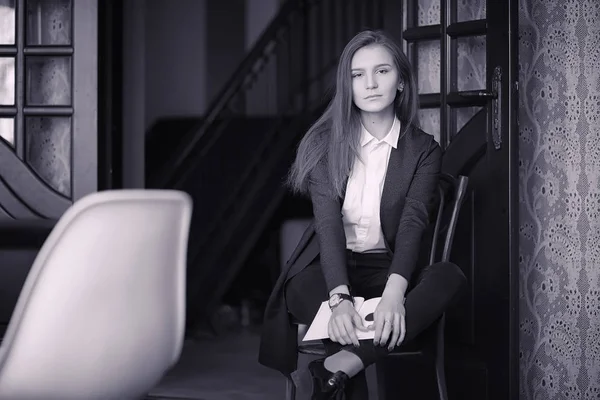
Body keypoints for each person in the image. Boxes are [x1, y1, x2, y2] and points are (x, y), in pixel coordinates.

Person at [258, 29, 466, 400]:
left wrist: (394, 294)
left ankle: (340, 365)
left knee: (447, 276)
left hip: (389, 270)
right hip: (331, 272)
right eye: (357, 74)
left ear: (400, 82)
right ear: (347, 84)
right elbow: (327, 225)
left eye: (382, 72)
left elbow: (413, 221)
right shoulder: (325, 144)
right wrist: (339, 300)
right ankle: (349, 358)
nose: (370, 84)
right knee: (309, 294)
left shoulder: (423, 150)